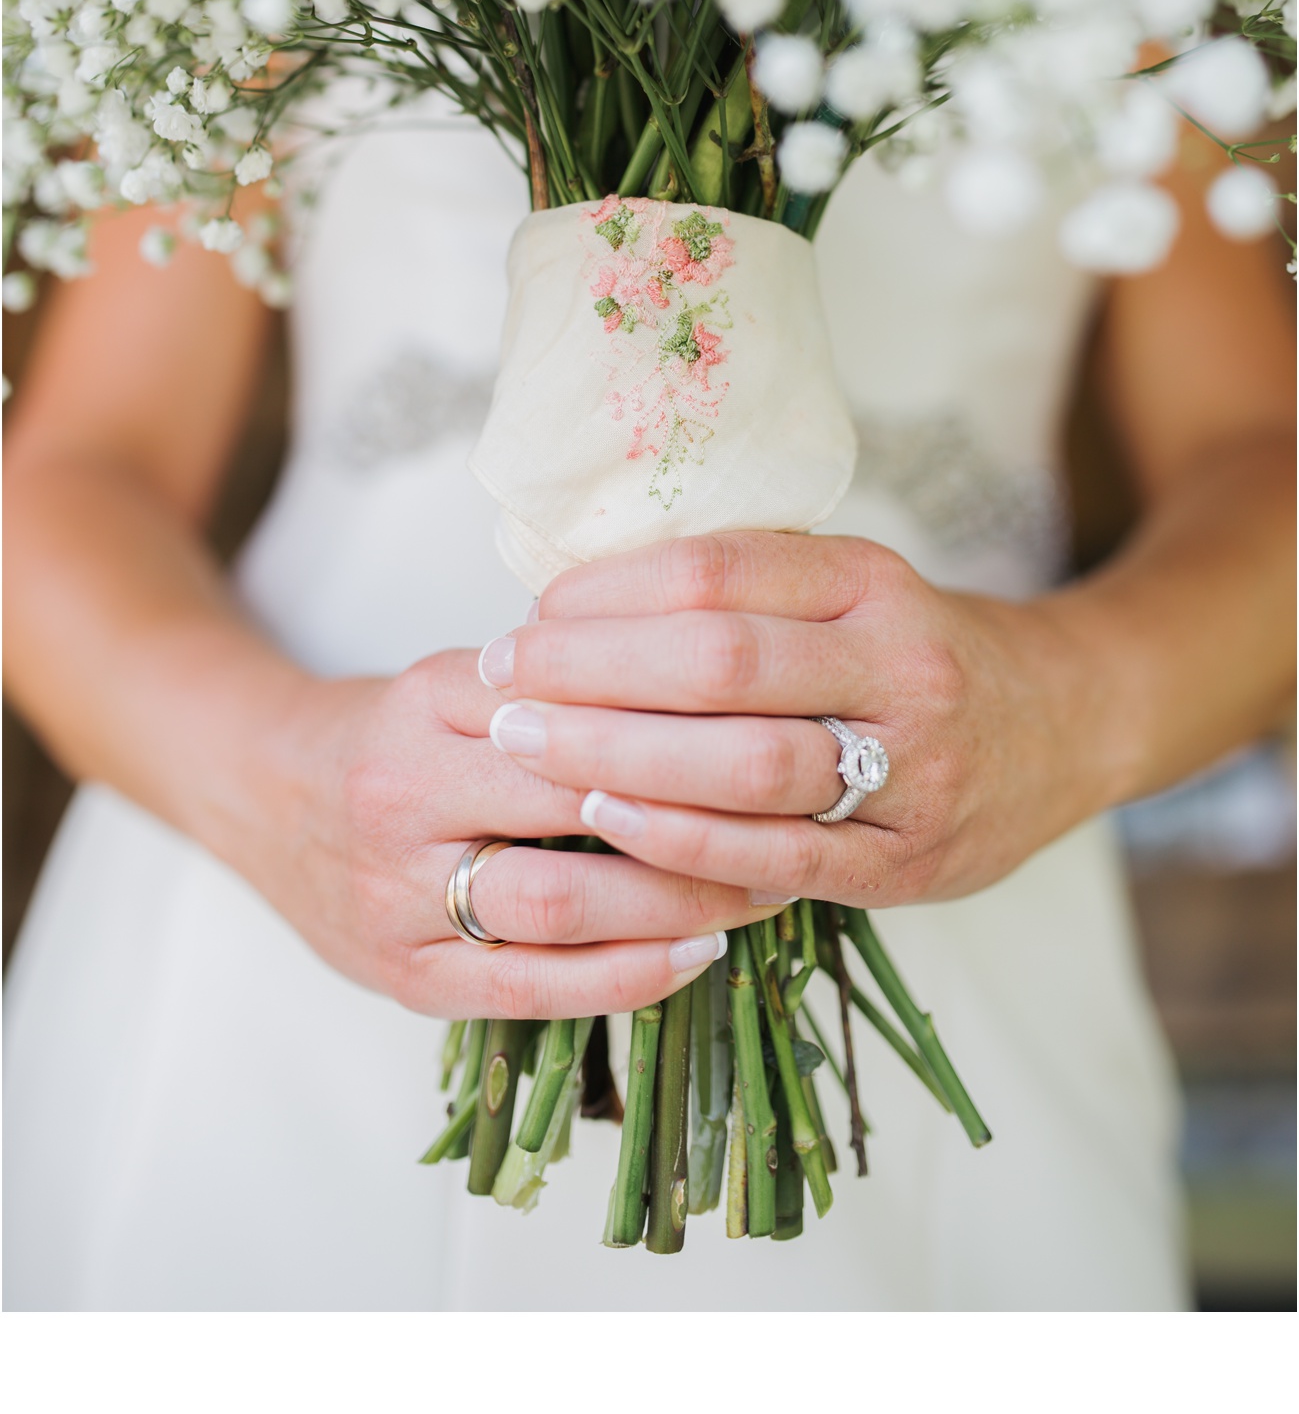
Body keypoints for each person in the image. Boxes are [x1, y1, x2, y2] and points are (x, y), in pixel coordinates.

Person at [3, 100, 1293, 1310]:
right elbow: (79, 467)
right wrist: (288, 790)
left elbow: (1263, 456)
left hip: (957, 840)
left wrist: (1070, 706)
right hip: (300, 867)